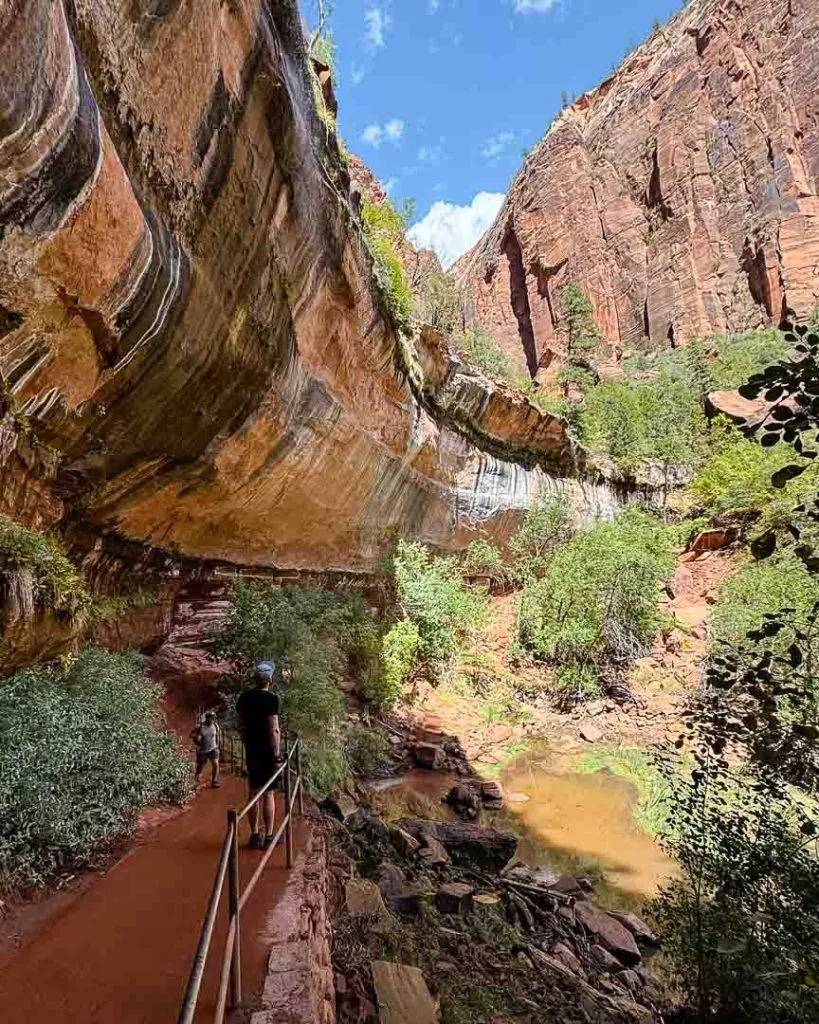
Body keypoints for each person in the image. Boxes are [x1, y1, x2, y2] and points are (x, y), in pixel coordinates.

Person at [236, 661, 282, 849]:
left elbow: (239, 724)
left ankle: (255, 836)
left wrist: (246, 740)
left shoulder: (244, 698)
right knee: (268, 792)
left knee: (254, 791)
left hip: (251, 749)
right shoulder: (271, 699)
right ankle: (269, 836)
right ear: (269, 679)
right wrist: (277, 753)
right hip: (267, 751)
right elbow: (274, 729)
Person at [191, 711, 221, 788]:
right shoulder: (200, 727)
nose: (212, 720)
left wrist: (218, 745)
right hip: (202, 750)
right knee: (200, 768)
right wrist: (196, 738)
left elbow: (217, 735)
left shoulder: (215, 726)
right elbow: (192, 734)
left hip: (213, 748)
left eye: (213, 718)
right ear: (207, 718)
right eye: (211, 718)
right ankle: (195, 782)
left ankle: (214, 781)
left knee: (215, 764)